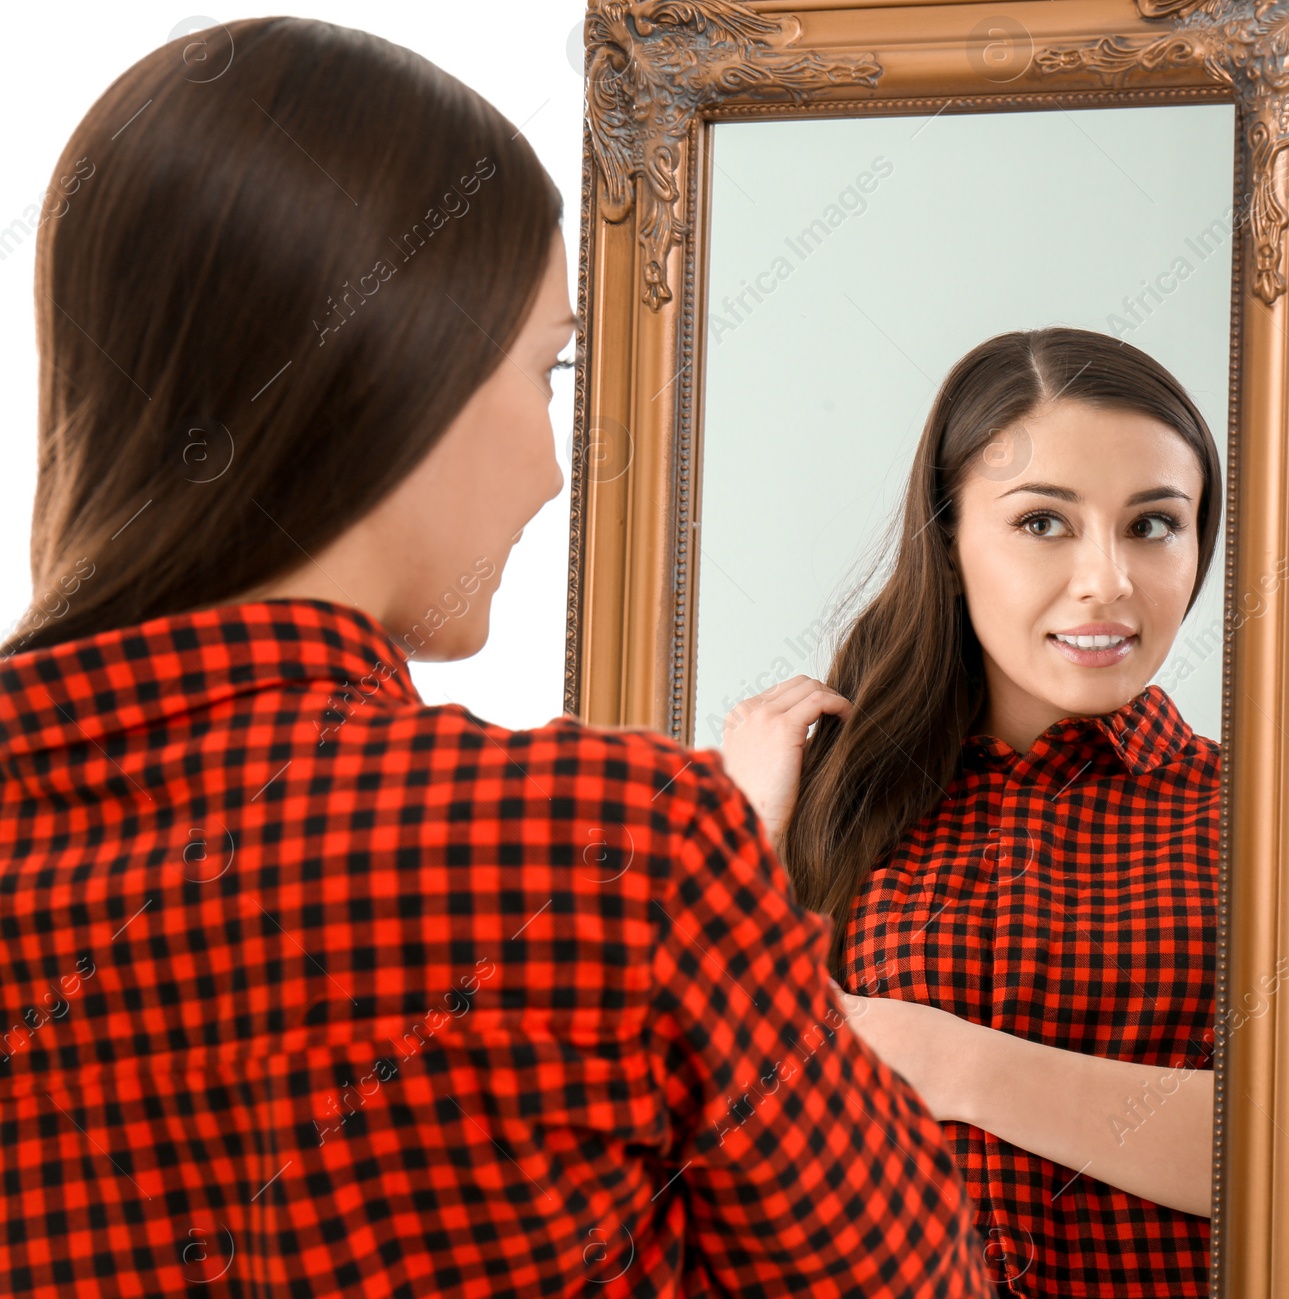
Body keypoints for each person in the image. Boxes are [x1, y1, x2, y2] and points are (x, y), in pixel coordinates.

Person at [0, 18, 990, 1296]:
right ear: (392, 368)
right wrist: (716, 904)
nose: (552, 466)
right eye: (546, 371)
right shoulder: (621, 851)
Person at [721, 327, 1224, 1297]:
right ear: (949, 542)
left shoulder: (1258, 824)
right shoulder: (831, 803)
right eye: (1044, 522)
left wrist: (946, 1063)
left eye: (1153, 524)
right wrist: (743, 830)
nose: (1107, 582)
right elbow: (695, 1124)